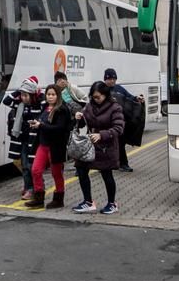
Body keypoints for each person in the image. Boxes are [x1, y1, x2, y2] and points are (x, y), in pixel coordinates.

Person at [72, 81, 124, 215]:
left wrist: (102, 135)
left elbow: (119, 128)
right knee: (81, 169)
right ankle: (88, 202)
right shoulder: (89, 106)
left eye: (98, 97)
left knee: (107, 174)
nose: (96, 100)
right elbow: (84, 124)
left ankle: (112, 203)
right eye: (94, 97)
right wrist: (79, 118)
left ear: (105, 95)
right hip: (89, 146)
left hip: (106, 146)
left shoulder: (115, 107)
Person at [26, 84, 73, 208]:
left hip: (55, 147)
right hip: (43, 145)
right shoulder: (45, 108)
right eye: (48, 94)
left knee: (56, 173)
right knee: (35, 170)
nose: (50, 97)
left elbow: (59, 128)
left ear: (58, 96)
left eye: (53, 94)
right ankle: (39, 198)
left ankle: (59, 198)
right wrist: (36, 124)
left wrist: (41, 126)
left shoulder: (62, 109)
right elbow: (44, 124)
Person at [4, 76, 44, 200]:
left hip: (34, 140)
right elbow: (6, 101)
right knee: (24, 165)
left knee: (31, 166)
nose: (23, 98)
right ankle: (29, 187)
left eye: (26, 95)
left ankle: (33, 188)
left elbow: (47, 108)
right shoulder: (19, 104)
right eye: (22, 95)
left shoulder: (39, 102)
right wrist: (19, 90)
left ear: (33, 95)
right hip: (21, 139)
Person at [104, 68, 144, 173]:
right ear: (105, 79)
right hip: (105, 122)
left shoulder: (120, 89)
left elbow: (130, 97)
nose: (112, 81)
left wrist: (137, 99)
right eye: (109, 79)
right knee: (105, 144)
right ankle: (103, 164)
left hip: (119, 121)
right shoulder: (101, 89)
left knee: (120, 143)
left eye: (114, 78)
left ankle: (123, 164)